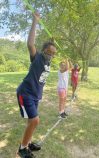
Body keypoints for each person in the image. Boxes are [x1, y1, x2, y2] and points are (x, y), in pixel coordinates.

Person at [16, 12, 57, 158]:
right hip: (25, 93)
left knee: (32, 122)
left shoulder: (48, 61)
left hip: (35, 96)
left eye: (54, 53)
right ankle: (22, 149)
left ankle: (28, 143)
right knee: (35, 120)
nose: (51, 55)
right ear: (44, 50)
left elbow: (52, 48)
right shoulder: (37, 57)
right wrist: (35, 21)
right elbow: (30, 43)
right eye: (49, 52)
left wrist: (52, 42)